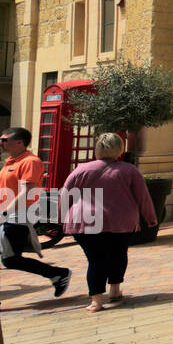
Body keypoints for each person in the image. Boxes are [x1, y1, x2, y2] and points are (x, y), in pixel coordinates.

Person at [60, 133, 156, 312]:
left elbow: (65, 195)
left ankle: (96, 301)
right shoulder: (129, 170)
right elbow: (143, 196)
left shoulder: (81, 169)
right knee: (119, 253)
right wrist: (150, 217)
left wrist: (61, 218)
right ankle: (115, 289)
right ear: (120, 149)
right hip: (120, 220)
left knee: (95, 260)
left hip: (85, 220)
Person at [0, 126, 71, 298]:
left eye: (4, 140)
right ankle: (57, 273)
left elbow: (27, 192)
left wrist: (4, 214)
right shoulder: (11, 162)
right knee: (10, 259)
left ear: (19, 142)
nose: (1, 143)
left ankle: (59, 273)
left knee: (10, 260)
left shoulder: (30, 162)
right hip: (8, 215)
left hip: (17, 216)